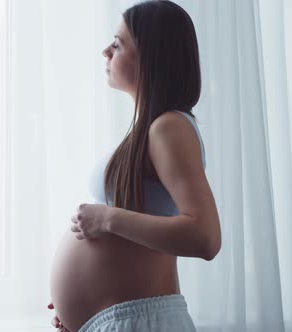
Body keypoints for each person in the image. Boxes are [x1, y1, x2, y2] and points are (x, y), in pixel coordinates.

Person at [47, 1, 222, 331]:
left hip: (141, 320)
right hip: (123, 318)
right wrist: (79, 308)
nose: (105, 52)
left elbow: (205, 237)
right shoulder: (152, 128)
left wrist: (106, 218)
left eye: (117, 43)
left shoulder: (169, 127)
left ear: (152, 55)